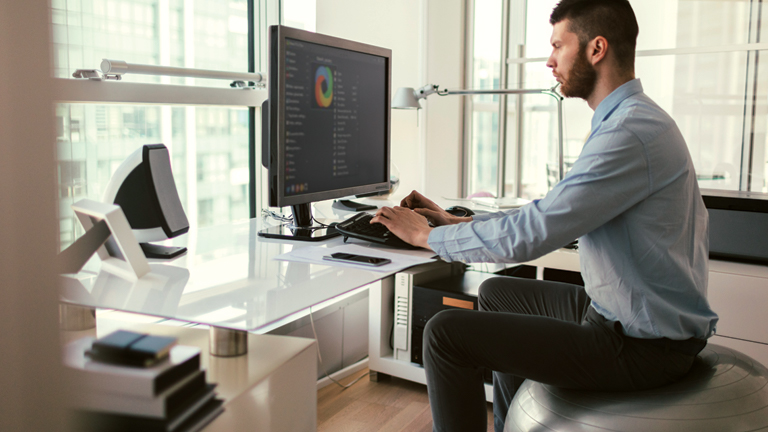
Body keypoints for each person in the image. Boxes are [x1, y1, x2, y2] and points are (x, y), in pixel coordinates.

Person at [369, 1, 719, 431]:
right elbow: (552, 212)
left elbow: (539, 230)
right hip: (621, 314)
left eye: (558, 46)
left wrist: (428, 238)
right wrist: (454, 224)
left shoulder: (628, 133)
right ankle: (513, 425)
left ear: (597, 49)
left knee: (444, 336)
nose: (550, 60)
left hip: (643, 348)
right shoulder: (631, 119)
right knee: (497, 291)